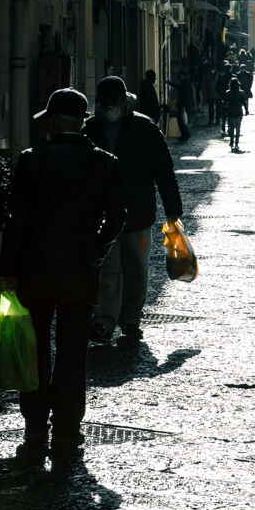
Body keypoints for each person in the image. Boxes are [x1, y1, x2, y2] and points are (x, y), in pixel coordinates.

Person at [0, 88, 125, 459]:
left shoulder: (31, 160)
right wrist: (96, 250)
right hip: (80, 271)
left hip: (34, 270)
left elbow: (16, 221)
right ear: (82, 121)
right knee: (72, 352)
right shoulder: (104, 162)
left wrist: (7, 269)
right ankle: (67, 430)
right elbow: (118, 216)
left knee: (34, 347)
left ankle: (35, 425)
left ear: (53, 120)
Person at [85, 76, 182, 343]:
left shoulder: (145, 128)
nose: (108, 108)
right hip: (103, 214)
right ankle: (104, 321)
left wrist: (173, 211)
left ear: (122, 99)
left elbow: (164, 171)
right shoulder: (91, 128)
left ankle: (131, 319)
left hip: (138, 211)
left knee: (137, 268)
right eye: (103, 103)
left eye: (112, 102)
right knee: (108, 269)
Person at [224, 76, 245, 151]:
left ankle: (231, 142)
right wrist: (246, 110)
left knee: (231, 128)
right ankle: (236, 144)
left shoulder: (228, 92)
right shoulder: (241, 93)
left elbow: (225, 103)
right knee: (238, 129)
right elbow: (244, 102)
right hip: (239, 112)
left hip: (230, 112)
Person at [215, 60, 232, 136]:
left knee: (223, 114)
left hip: (223, 98)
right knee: (230, 114)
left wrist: (221, 94)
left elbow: (217, 87)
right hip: (231, 98)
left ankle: (223, 128)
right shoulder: (233, 77)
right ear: (230, 69)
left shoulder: (221, 77)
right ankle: (230, 128)